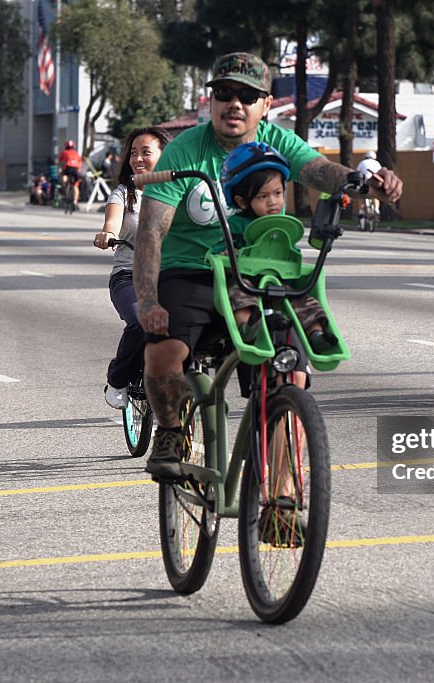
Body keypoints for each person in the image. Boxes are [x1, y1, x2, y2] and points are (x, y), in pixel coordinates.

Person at [134, 52, 402, 478]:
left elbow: (319, 170)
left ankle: (280, 494)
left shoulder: (278, 142)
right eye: (224, 93)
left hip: (261, 271)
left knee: (290, 374)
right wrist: (148, 302)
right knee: (163, 353)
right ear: (211, 101)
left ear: (265, 105)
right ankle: (170, 430)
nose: (234, 103)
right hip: (195, 269)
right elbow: (150, 232)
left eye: (247, 95)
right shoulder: (185, 150)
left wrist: (364, 182)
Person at [220, 141, 339, 368]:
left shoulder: (282, 227)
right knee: (239, 295)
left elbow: (289, 252)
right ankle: (248, 325)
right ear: (242, 201)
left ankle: (316, 335)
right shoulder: (234, 225)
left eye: (277, 193)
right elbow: (219, 248)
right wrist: (228, 251)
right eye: (263, 197)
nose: (273, 201)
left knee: (306, 301)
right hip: (247, 281)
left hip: (278, 282)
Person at [93, 127, 171, 409]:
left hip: (171, 276)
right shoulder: (124, 194)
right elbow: (112, 222)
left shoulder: (178, 193)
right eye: (133, 153)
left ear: (165, 155)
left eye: (146, 152)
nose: (137, 158)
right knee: (141, 322)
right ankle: (118, 380)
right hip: (129, 277)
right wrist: (107, 234)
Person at [355, 150, 382, 223]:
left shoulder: (362, 163)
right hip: (374, 182)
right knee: (376, 195)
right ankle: (376, 209)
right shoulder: (377, 163)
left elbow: (357, 173)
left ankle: (361, 211)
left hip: (365, 182)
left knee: (361, 196)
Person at [57, 140, 82, 207]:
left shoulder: (64, 152)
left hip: (68, 168)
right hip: (76, 170)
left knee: (63, 176)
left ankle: (64, 184)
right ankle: (75, 201)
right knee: (76, 186)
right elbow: (80, 162)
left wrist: (59, 169)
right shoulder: (76, 153)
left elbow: (59, 161)